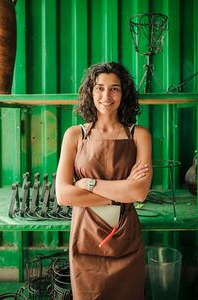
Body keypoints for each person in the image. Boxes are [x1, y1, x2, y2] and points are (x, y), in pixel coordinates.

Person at [56, 62, 152, 300]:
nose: (106, 96)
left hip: (126, 238)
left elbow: (139, 193)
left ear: (124, 93)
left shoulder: (139, 135)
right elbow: (63, 195)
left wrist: (88, 183)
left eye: (114, 88)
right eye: (99, 88)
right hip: (85, 237)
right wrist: (122, 191)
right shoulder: (74, 135)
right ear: (90, 92)